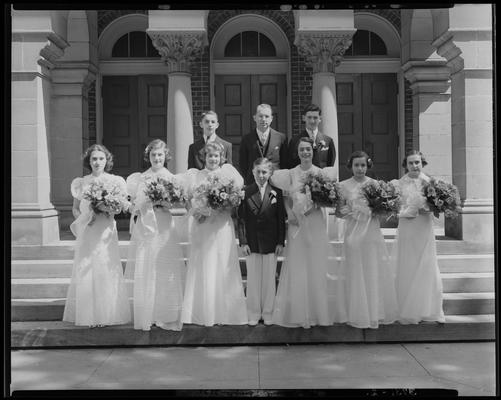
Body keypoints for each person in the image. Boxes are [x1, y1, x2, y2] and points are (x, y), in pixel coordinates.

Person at [269, 137, 346, 328]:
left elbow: (330, 199)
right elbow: (286, 198)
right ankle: (299, 314)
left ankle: (317, 313)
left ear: (313, 152)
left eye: (308, 150)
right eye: (302, 150)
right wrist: (290, 214)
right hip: (296, 223)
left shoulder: (321, 173)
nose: (305, 153)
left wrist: (314, 205)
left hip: (315, 221)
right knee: (298, 266)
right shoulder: (291, 174)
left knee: (316, 265)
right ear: (297, 152)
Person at [63, 144, 131, 327]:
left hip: (106, 230)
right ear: (89, 161)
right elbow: (75, 208)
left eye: (101, 158)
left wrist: (109, 208)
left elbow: (121, 206)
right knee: (87, 267)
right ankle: (89, 315)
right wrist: (84, 219)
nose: (97, 162)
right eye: (94, 158)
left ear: (106, 160)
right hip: (89, 230)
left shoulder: (115, 181)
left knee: (105, 266)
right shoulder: (81, 182)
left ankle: (107, 315)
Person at [181, 142, 248, 326]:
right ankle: (204, 312)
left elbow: (234, 200)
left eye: (216, 156)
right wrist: (196, 212)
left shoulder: (228, 175)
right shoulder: (195, 176)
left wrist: (220, 207)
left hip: (221, 225)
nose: (213, 159)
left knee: (221, 263)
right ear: (205, 157)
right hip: (202, 226)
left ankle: (224, 312)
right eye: (210, 156)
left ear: (222, 158)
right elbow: (187, 199)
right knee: (204, 263)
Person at [125, 139, 185, 331]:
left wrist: (165, 203)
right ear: (148, 157)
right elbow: (135, 204)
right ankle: (148, 314)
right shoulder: (140, 179)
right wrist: (146, 204)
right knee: (148, 266)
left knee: (165, 268)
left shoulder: (172, 178)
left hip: (165, 226)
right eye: (153, 155)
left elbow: (179, 205)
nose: (157, 158)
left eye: (160, 155)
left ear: (165, 156)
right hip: (147, 226)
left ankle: (165, 314)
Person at [337, 151, 398, 329]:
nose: (360, 169)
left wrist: (373, 211)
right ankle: (356, 311)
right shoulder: (343, 186)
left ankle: (373, 311)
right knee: (354, 270)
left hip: (371, 233)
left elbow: (385, 210)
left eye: (363, 165)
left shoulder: (375, 185)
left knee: (371, 269)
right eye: (356, 165)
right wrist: (353, 212)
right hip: (353, 233)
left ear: (368, 165)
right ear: (350, 166)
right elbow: (339, 211)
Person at [391, 150, 445, 324]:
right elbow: (393, 208)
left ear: (422, 163)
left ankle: (429, 309)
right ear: (405, 165)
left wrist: (429, 209)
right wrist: (409, 212)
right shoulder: (398, 184)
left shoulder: (431, 183)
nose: (414, 166)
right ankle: (407, 308)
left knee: (427, 263)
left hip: (424, 228)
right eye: (411, 163)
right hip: (407, 227)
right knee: (408, 264)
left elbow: (439, 206)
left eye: (417, 162)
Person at [237, 158, 286, 326]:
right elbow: (241, 219)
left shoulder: (276, 193)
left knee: (269, 279)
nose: (261, 175)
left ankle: (268, 312)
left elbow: (281, 219)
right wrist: (243, 242)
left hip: (271, 241)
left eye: (264, 172)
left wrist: (281, 241)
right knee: (253, 279)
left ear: (270, 173)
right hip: (252, 241)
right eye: (258, 171)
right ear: (252, 172)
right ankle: (253, 312)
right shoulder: (246, 192)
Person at [239, 104, 288, 185]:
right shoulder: (246, 139)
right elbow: (243, 164)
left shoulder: (281, 138)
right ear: (254, 118)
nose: (263, 119)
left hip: (275, 183)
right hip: (253, 184)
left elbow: (285, 163)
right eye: (260, 116)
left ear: (271, 118)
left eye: (267, 116)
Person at [288, 104, 336, 169]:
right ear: (304, 118)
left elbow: (330, 164)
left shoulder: (328, 140)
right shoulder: (295, 141)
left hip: (321, 177)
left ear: (320, 119)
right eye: (309, 117)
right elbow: (291, 163)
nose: (312, 121)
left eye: (315, 118)